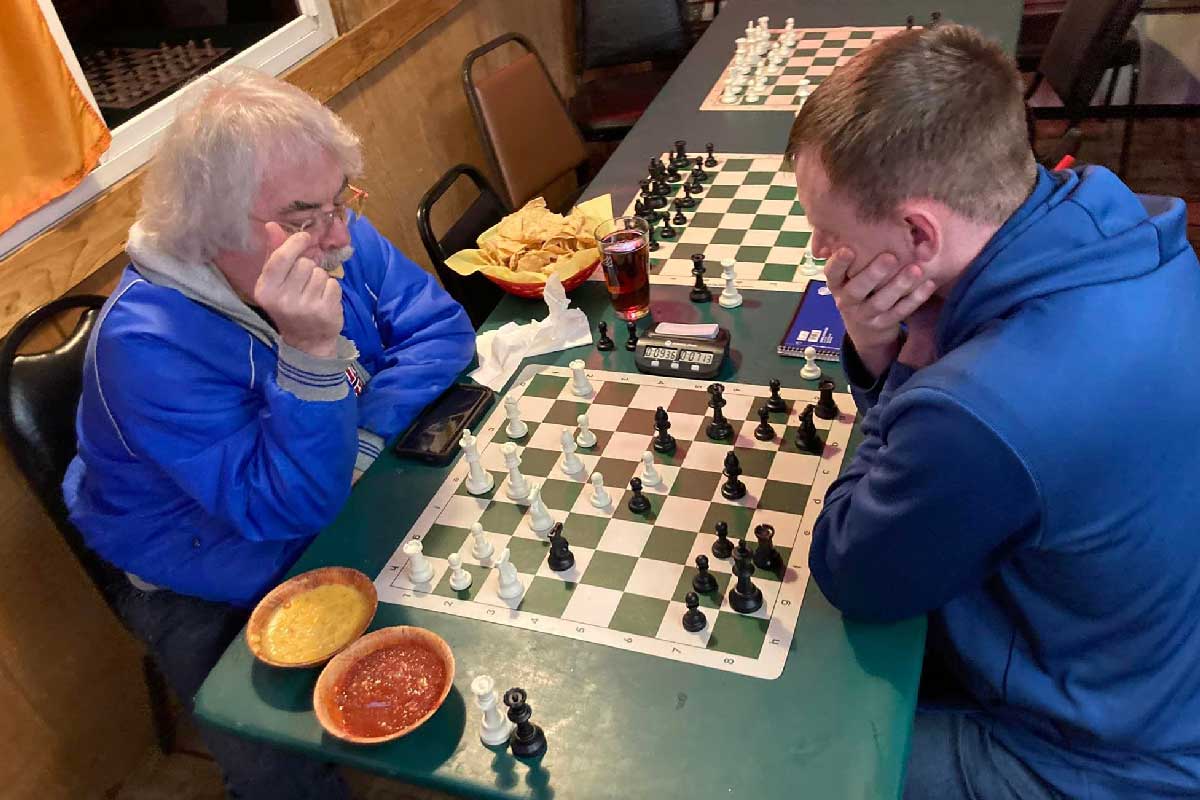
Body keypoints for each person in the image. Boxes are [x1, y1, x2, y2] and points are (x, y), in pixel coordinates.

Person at [790, 23, 1200, 800]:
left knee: (783, 757)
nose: (821, 249)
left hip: (1104, 759)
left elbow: (853, 570)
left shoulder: (973, 411)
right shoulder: (1129, 221)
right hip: (1160, 668)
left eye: (832, 232)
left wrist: (900, 356)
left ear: (918, 232)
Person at [63, 68, 475, 797]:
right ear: (211, 224)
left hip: (331, 494)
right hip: (199, 567)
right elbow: (286, 510)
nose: (342, 233)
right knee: (275, 758)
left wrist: (365, 439)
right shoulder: (143, 346)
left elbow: (440, 331)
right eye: (306, 215)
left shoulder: (327, 231)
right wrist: (312, 355)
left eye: (344, 196)